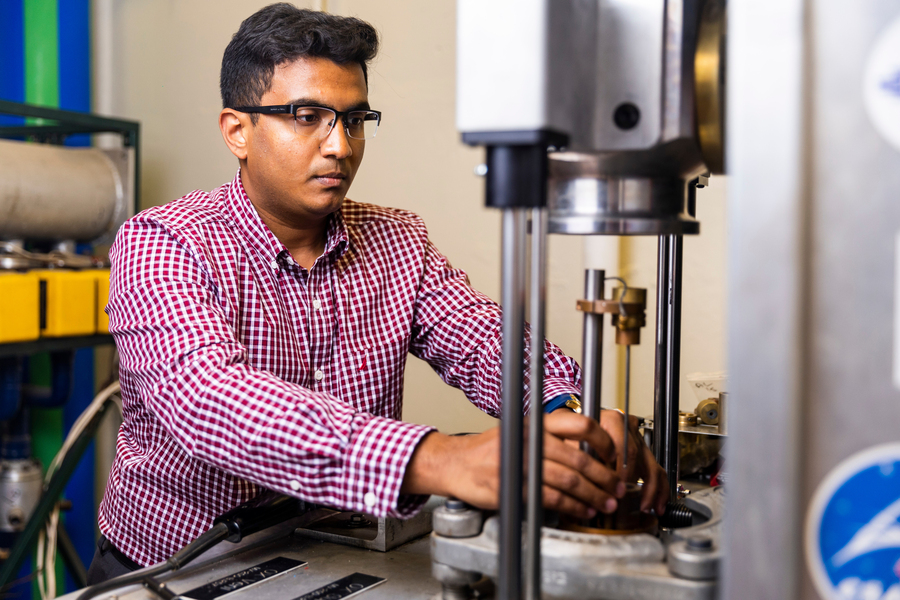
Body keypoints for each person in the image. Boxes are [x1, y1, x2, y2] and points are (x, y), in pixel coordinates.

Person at [87, 3, 667, 584]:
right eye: (307, 116)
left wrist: (565, 418)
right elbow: (208, 402)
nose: (340, 145)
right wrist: (441, 458)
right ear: (238, 130)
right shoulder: (163, 241)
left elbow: (483, 339)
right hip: (177, 568)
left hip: (332, 553)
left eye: (355, 119)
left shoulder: (395, 239)